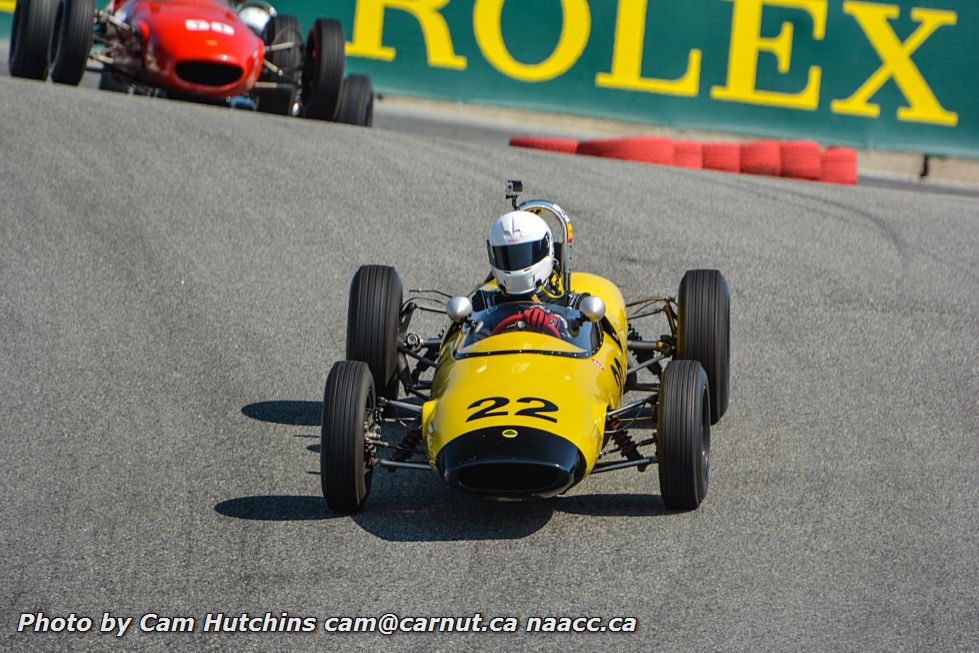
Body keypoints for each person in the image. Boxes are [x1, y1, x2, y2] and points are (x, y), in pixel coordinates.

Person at [472, 210, 585, 338]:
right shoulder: (483, 304)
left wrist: (558, 324)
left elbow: (588, 327)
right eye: (507, 257)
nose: (516, 263)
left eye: (523, 256)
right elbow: (468, 338)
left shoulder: (571, 305)